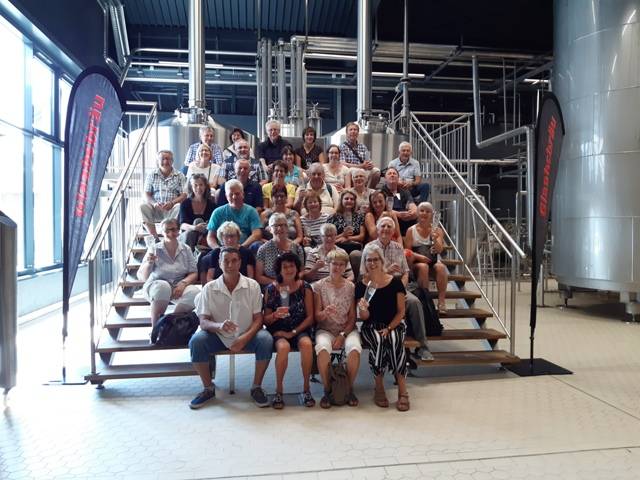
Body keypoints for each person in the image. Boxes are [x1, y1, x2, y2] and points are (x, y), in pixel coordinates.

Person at [188, 247, 273, 409]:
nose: (230, 265)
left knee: (265, 340)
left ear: (240, 263)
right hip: (218, 336)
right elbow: (203, 322)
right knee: (196, 341)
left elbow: (258, 319)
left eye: (234, 261)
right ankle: (208, 388)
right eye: (226, 261)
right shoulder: (209, 288)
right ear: (220, 263)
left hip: (246, 334)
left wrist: (244, 338)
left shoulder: (252, 285)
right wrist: (219, 326)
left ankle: (256, 387)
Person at [361, 216, 434, 362]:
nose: (386, 229)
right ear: (377, 229)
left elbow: (405, 272)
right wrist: (386, 271)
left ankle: (423, 346)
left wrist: (401, 288)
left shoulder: (398, 247)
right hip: (378, 288)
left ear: (393, 231)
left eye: (389, 226)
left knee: (414, 302)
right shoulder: (369, 247)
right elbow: (364, 275)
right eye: (383, 226)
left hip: (397, 287)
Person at [355, 243, 410, 412]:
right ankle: (378, 387)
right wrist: (363, 309)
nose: (372, 263)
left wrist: (390, 328)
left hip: (394, 324)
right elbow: (364, 318)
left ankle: (403, 390)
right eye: (369, 260)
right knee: (378, 341)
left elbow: (401, 312)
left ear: (382, 260)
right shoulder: (361, 285)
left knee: (394, 340)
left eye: (375, 259)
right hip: (371, 326)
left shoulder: (395, 282)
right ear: (365, 262)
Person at [263, 252, 315, 409]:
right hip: (278, 330)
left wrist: (293, 333)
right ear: (279, 270)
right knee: (283, 347)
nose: (288, 269)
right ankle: (279, 391)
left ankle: (306, 389)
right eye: (284, 267)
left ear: (297, 268)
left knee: (307, 344)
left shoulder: (305, 287)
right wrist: (275, 315)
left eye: (291, 266)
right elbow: (266, 320)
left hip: (299, 328)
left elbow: (310, 317)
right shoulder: (271, 289)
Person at [313, 249, 361, 408]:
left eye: (341, 264)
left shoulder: (351, 287)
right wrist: (324, 313)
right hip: (325, 329)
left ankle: (348, 389)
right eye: (334, 263)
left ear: (345, 267)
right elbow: (317, 316)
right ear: (328, 264)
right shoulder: (319, 286)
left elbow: (352, 317)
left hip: (346, 329)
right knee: (322, 348)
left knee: (354, 349)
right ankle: (328, 390)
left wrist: (342, 335)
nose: (337, 267)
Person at [137, 218, 200, 329]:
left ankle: (169, 324)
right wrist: (149, 263)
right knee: (164, 287)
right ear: (162, 232)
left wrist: (183, 283)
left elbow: (193, 272)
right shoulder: (154, 249)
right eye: (167, 230)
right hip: (156, 286)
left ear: (179, 231)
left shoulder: (186, 249)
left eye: (174, 229)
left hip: (178, 285)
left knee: (196, 293)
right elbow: (143, 277)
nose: (171, 233)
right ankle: (155, 329)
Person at [405, 202, 448, 313]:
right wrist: (420, 257)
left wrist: (435, 239)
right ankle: (426, 301)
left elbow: (439, 250)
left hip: (432, 262)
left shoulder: (437, 230)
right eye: (422, 210)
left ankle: (441, 302)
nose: (424, 213)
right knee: (424, 267)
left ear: (432, 215)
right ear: (417, 213)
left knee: (441, 268)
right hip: (416, 263)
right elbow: (407, 252)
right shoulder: (411, 230)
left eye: (428, 211)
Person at [140, 150, 187, 240]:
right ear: (158, 161)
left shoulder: (180, 175)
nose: (165, 161)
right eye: (162, 159)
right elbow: (146, 194)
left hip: (172, 208)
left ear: (172, 161)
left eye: (168, 159)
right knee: (143, 206)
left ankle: (171, 236)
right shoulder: (151, 175)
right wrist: (154, 203)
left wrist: (172, 203)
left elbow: (184, 195)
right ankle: (155, 237)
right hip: (156, 207)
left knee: (179, 206)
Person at [207, 180, 262, 250]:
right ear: (226, 196)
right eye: (231, 194)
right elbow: (210, 236)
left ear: (243, 194)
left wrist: (241, 247)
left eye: (237, 194)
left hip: (244, 249)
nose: (234, 197)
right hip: (222, 250)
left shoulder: (252, 211)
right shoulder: (217, 212)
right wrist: (218, 249)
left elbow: (257, 234)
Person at [255, 213, 305, 286]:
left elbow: (302, 272)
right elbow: (259, 277)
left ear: (287, 228)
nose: (279, 228)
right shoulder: (263, 249)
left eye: (283, 225)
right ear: (270, 229)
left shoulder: (297, 248)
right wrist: (278, 283)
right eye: (275, 226)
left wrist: (290, 282)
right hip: (272, 285)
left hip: (293, 284)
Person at [179, 174, 216, 251]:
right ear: (191, 187)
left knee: (199, 221)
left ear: (205, 186)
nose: (198, 188)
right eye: (195, 185)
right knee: (191, 232)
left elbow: (213, 223)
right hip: (187, 235)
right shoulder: (185, 203)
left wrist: (205, 226)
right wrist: (195, 228)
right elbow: (182, 225)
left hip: (205, 234)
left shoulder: (211, 204)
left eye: (201, 185)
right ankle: (190, 255)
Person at [339, 121, 380, 188]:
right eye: (351, 130)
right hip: (350, 171)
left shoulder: (363, 146)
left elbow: (368, 160)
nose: (353, 131)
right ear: (346, 133)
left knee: (376, 171)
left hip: (364, 170)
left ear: (358, 133)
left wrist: (370, 165)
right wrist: (360, 166)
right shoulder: (342, 147)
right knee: (355, 171)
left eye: (355, 130)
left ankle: (368, 190)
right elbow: (342, 163)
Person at [381, 167, 418, 235]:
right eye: (389, 173)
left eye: (394, 173)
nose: (392, 175)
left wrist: (413, 212)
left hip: (406, 219)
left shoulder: (404, 191)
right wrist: (398, 214)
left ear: (398, 178)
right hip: (390, 220)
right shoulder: (381, 192)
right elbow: (381, 210)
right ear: (385, 179)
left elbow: (411, 204)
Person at [328, 189, 365, 255]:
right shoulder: (333, 217)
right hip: (338, 247)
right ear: (341, 200)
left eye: (352, 199)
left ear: (355, 202)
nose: (349, 201)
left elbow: (362, 236)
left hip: (355, 247)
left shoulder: (360, 216)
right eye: (346, 199)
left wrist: (348, 239)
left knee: (355, 254)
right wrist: (343, 235)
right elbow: (329, 238)